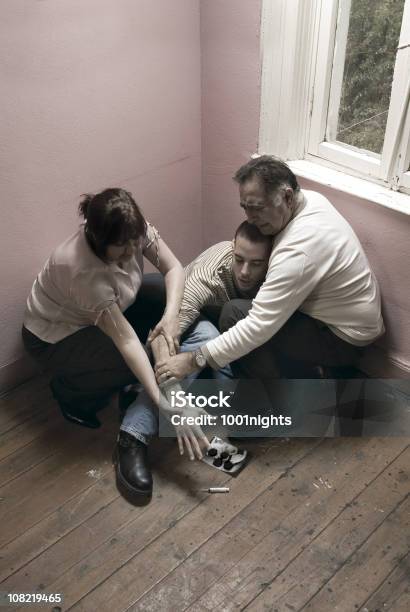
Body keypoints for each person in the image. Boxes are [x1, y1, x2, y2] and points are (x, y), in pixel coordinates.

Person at [22, 187, 206, 501]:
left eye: (134, 244)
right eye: (121, 249)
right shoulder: (81, 271)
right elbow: (126, 340)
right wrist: (163, 402)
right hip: (56, 336)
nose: (131, 252)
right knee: (134, 361)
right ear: (97, 239)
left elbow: (174, 268)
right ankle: (72, 395)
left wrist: (172, 317)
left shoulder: (132, 228)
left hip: (116, 304)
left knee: (179, 303)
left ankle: (132, 386)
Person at [155, 155, 385, 384]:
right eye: (245, 208)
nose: (250, 218)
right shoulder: (310, 200)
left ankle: (282, 391)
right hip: (345, 319)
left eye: (257, 208)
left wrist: (191, 361)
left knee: (235, 314)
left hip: (341, 339)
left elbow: (257, 326)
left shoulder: (298, 250)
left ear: (287, 196)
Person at [122, 220, 273, 459]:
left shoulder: (278, 273)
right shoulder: (208, 277)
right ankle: (132, 435)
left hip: (227, 336)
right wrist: (177, 402)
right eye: (239, 259)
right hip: (180, 319)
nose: (245, 272)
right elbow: (161, 337)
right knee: (205, 339)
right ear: (232, 247)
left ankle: (141, 392)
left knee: (248, 420)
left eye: (256, 264)